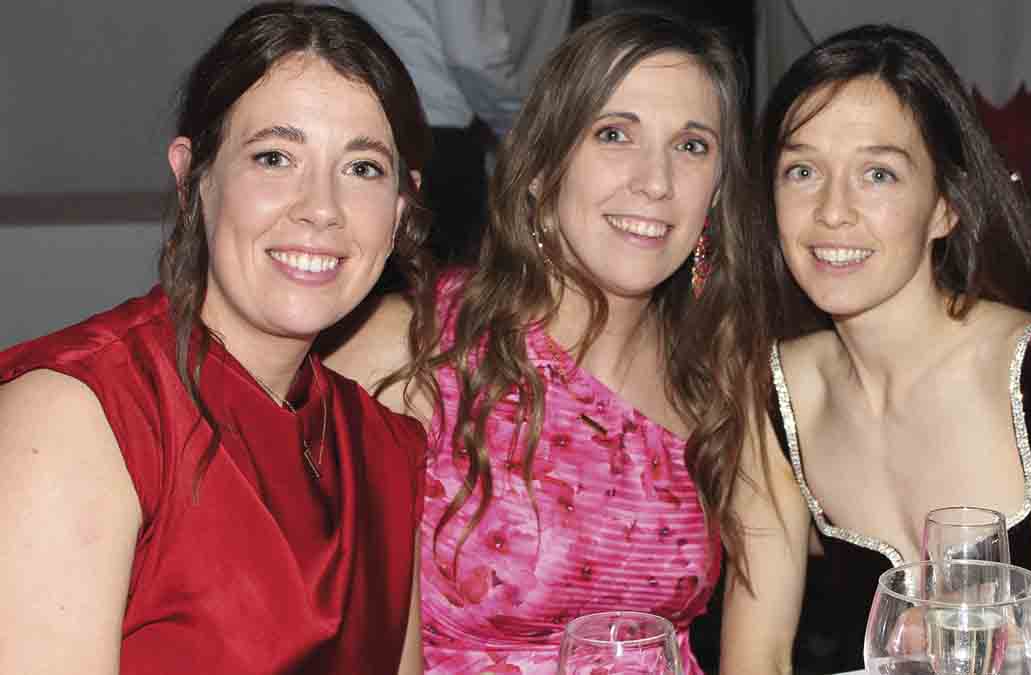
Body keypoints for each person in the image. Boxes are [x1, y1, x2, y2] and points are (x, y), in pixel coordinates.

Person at [722, 24, 1031, 673]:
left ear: (945, 205)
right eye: (802, 171)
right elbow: (756, 658)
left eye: (878, 174)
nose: (832, 211)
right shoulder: (778, 397)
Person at [323, 9, 768, 673]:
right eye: (614, 134)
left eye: (692, 146)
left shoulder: (716, 375)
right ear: (541, 167)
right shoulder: (416, 348)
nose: (656, 181)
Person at [0, 3, 432, 673]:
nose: (321, 208)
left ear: (401, 208)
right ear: (193, 178)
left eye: (363, 168)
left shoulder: (385, 447)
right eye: (274, 157)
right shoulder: (77, 418)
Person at [343, 0, 574, 267]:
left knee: (365, 262)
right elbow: (473, 57)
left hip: (360, 122)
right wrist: (518, 130)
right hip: (438, 131)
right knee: (445, 276)